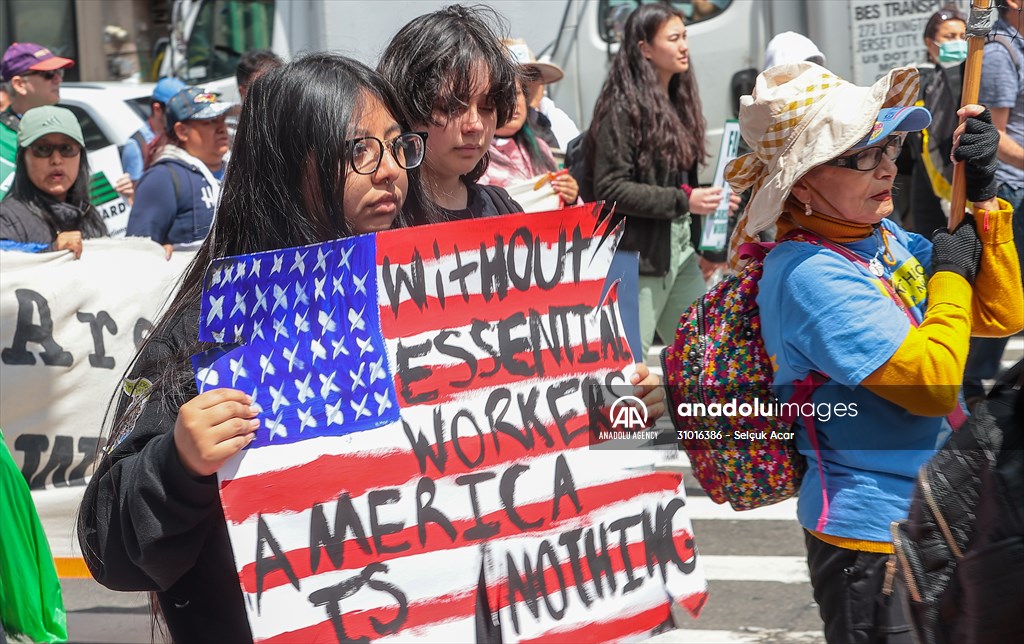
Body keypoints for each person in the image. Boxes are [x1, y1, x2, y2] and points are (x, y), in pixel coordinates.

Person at [724, 61, 1022, 642]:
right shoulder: (806, 273)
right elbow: (932, 383)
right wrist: (952, 276)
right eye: (861, 155)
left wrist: (984, 199)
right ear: (802, 181)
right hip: (873, 540)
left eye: (888, 147)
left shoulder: (879, 237)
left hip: (938, 510)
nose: (887, 166)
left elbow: (999, 313)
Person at [586, 3, 732, 356]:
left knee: (708, 356)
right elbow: (610, 188)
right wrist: (686, 201)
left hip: (681, 255)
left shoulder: (678, 101)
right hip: (639, 262)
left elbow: (679, 183)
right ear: (645, 49)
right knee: (627, 374)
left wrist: (705, 210)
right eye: (674, 38)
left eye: (685, 36)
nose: (685, 46)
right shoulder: (621, 108)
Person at [378, 4, 523, 222]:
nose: (474, 125)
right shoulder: (382, 222)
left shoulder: (504, 210)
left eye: (487, 107)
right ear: (406, 105)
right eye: (451, 107)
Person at [963, 0, 1024, 405]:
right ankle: (966, 392)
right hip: (1010, 192)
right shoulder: (1001, 52)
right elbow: (993, 132)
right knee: (999, 299)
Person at [126, 86, 232, 257]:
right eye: (209, 121)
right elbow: (137, 253)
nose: (221, 128)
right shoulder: (162, 178)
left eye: (222, 119)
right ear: (182, 131)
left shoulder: (237, 170)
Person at [0, 106, 107, 258]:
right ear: (23, 158)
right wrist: (51, 251)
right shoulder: (7, 218)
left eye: (67, 148)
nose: (56, 160)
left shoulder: (88, 213)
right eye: (42, 149)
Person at [909, 4, 967, 237]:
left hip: (964, 177)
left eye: (963, 36)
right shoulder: (918, 80)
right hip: (927, 181)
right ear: (929, 42)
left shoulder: (972, 77)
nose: (958, 42)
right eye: (949, 36)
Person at [479, 75, 579, 206]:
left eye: (517, 93)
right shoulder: (475, 155)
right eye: (504, 95)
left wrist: (571, 195)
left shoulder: (540, 146)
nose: (513, 103)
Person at [1, 43, 75, 199]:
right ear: (19, 84)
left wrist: (122, 194)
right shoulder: (3, 137)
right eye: (49, 74)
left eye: (59, 72)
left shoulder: (67, 126)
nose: (58, 79)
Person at [503, 37, 580, 150]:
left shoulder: (558, 119)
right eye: (513, 79)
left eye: (533, 75)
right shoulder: (489, 137)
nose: (528, 85)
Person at [120, 77, 187, 185]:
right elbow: (135, 193)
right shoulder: (136, 145)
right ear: (157, 109)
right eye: (175, 110)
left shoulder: (182, 135)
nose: (181, 115)